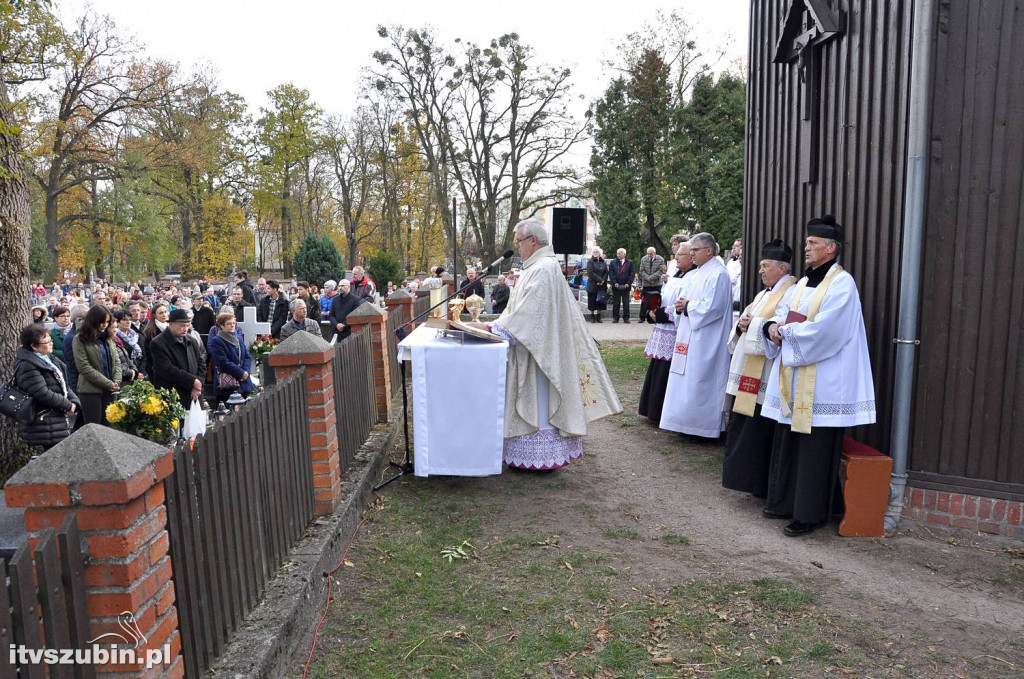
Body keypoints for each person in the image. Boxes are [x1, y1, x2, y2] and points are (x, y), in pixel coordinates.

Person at [760, 215, 876, 536]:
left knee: (814, 449)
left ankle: (809, 514)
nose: (806, 247)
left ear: (831, 247)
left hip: (824, 381)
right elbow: (783, 314)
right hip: (796, 378)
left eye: (812, 242)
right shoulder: (801, 283)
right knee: (791, 442)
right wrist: (771, 327)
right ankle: (785, 503)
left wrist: (788, 332)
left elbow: (830, 330)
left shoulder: (842, 284)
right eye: (807, 241)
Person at [486, 219, 622, 470]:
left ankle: (541, 458)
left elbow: (532, 314)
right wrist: (498, 324)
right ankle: (526, 456)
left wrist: (498, 328)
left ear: (533, 241)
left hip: (541, 353)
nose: (517, 247)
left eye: (519, 241)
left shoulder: (544, 268)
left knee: (539, 401)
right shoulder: (535, 267)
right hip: (532, 347)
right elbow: (518, 308)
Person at [721, 239, 795, 498]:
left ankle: (756, 482)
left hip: (767, 371)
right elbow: (749, 320)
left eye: (765, 266)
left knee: (758, 427)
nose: (760, 271)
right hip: (749, 369)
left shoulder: (790, 292)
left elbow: (781, 325)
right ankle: (742, 478)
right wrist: (742, 324)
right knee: (743, 422)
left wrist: (754, 324)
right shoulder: (764, 294)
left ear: (782, 268)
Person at [659, 233, 733, 438]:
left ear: (709, 251)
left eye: (695, 250)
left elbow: (713, 308)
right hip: (690, 333)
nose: (691, 254)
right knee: (687, 379)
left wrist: (688, 305)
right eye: (690, 250)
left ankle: (704, 427)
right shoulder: (700, 272)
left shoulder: (719, 274)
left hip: (707, 338)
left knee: (701, 380)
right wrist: (681, 305)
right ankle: (686, 423)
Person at [638, 243, 695, 424]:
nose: (676, 258)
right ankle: (650, 409)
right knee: (657, 368)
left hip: (675, 330)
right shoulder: (675, 274)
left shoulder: (692, 276)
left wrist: (660, 315)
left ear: (691, 257)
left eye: (680, 255)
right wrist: (652, 310)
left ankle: (661, 411)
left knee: (666, 372)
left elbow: (681, 303)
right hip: (662, 328)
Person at [13, 324, 80, 450]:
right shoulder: (27, 364)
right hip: (44, 420)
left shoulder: (49, 358)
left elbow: (63, 384)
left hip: (57, 417)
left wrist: (74, 401)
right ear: (34, 346)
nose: (51, 343)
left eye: (50, 340)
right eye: (46, 341)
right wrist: (67, 405)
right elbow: (42, 392)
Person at [72, 305, 121, 426]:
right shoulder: (80, 339)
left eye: (107, 322)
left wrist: (116, 381)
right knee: (94, 426)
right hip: (90, 390)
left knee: (108, 426)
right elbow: (83, 366)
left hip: (111, 389)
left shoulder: (108, 338)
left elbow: (117, 362)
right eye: (102, 322)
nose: (104, 325)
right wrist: (107, 383)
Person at [150, 308, 206, 409]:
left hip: (195, 393)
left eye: (187, 325)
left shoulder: (192, 341)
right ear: (171, 324)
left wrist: (198, 385)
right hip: (173, 395)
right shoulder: (158, 343)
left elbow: (201, 363)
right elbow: (167, 369)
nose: (185, 329)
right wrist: (192, 381)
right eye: (181, 326)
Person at [207, 311, 254, 405]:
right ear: (221, 325)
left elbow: (247, 356)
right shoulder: (216, 341)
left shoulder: (238, 338)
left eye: (233, 323)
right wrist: (241, 373)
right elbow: (223, 363)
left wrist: (246, 372)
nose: (232, 326)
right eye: (228, 324)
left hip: (243, 382)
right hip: (227, 384)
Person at [111, 310, 144, 385]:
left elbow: (143, 355)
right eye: (124, 320)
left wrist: (141, 371)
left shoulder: (136, 335)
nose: (128, 322)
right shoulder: (116, 337)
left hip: (139, 371)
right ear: (118, 322)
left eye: (129, 319)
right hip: (127, 375)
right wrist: (134, 373)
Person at [141, 303, 170, 376]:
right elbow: (148, 354)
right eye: (161, 313)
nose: (164, 315)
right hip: (156, 369)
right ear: (154, 315)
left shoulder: (171, 328)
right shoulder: (150, 331)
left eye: (165, 312)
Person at [638, 246, 666, 321]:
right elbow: (641, 271)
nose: (649, 255)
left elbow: (661, 271)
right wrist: (648, 278)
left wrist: (652, 278)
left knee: (657, 301)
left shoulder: (660, 259)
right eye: (648, 254)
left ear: (655, 253)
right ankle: (642, 317)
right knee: (644, 301)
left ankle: (657, 316)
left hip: (656, 284)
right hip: (647, 284)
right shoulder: (643, 259)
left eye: (651, 254)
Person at [608, 248, 635, 323]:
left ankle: (626, 317)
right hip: (616, 286)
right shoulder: (613, 262)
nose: (618, 255)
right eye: (617, 253)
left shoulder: (630, 262)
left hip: (626, 286)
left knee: (626, 303)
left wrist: (628, 283)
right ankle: (615, 317)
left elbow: (632, 273)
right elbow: (611, 273)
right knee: (616, 303)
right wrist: (614, 283)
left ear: (624, 254)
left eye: (620, 253)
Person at [585, 247, 608, 323]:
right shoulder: (590, 262)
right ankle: (592, 316)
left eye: (597, 252)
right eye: (594, 251)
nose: (595, 253)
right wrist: (600, 279)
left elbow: (606, 272)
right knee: (592, 301)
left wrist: (603, 280)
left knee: (600, 301)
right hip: (593, 284)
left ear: (600, 253)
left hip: (602, 285)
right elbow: (590, 273)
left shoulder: (603, 262)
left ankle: (599, 316)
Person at [727, 238, 743, 310]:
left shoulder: (740, 264)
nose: (733, 248)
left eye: (736, 246)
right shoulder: (730, 262)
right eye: (733, 246)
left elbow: (731, 279)